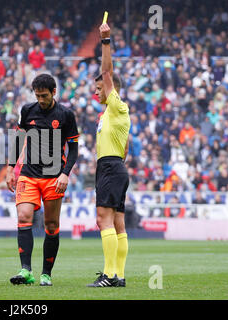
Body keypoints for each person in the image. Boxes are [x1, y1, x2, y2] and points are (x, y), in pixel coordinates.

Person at [6, 73, 79, 286]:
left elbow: (73, 149)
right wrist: (11, 168)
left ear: (54, 92)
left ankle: (46, 273)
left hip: (54, 177)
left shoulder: (66, 115)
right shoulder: (27, 111)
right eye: (37, 95)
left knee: (51, 224)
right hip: (28, 174)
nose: (40, 100)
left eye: (44, 95)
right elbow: (19, 139)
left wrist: (66, 173)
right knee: (24, 216)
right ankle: (25, 270)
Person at [87, 21, 131, 288]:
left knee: (103, 219)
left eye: (100, 88)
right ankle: (119, 275)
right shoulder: (110, 114)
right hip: (115, 166)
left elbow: (106, 70)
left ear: (111, 87)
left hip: (110, 168)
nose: (96, 91)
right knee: (117, 223)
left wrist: (105, 41)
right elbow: (126, 147)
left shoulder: (116, 106)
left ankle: (109, 275)